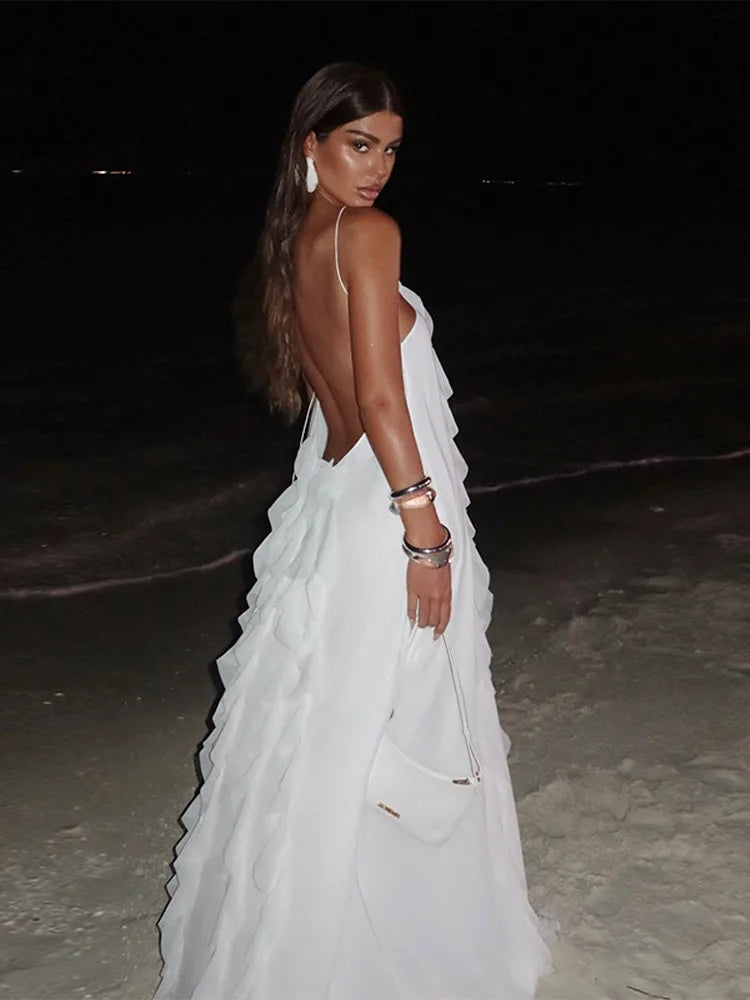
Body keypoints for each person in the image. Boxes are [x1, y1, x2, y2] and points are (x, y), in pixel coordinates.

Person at [153, 62, 552, 999]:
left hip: (332, 499)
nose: (376, 169)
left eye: (391, 150)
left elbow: (335, 403)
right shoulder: (368, 235)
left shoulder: (298, 237)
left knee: (326, 723)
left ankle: (294, 934)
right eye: (357, 144)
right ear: (312, 145)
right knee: (393, 718)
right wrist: (425, 535)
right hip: (385, 511)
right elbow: (378, 394)